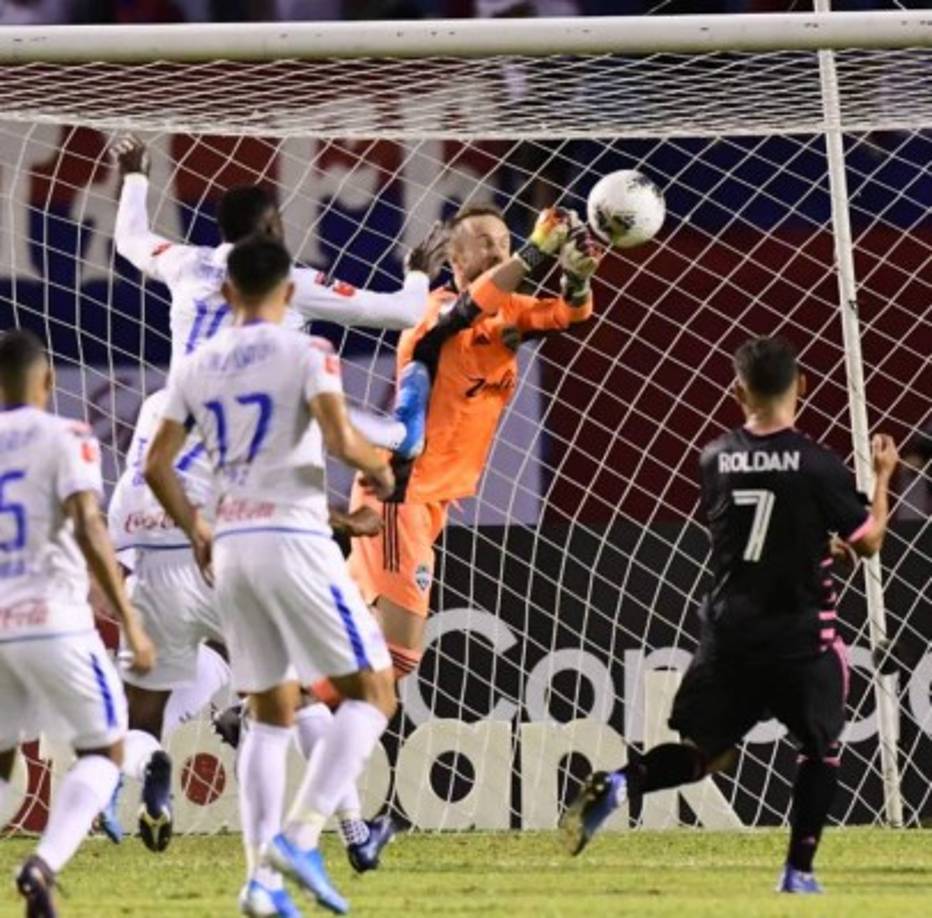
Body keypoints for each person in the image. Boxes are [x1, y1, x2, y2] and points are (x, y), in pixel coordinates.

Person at [560, 335, 899, 895]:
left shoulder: (714, 458)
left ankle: (621, 782)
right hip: (800, 635)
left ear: (738, 391)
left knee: (705, 756)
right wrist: (883, 475)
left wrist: (815, 544)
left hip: (731, 635)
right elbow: (870, 543)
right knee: (820, 749)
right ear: (803, 387)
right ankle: (798, 871)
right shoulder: (818, 463)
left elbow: (757, 533)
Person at [144, 235, 397, 916]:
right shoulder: (306, 351)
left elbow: (154, 465)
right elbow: (342, 440)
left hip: (229, 546)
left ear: (226, 293)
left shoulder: (196, 364)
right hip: (294, 537)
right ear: (289, 292)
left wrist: (196, 527)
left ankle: (260, 883)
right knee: (374, 693)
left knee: (270, 714)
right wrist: (378, 468)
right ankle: (303, 835)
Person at [345, 203, 600, 687]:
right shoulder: (429, 312)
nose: (497, 249)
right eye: (484, 241)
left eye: (504, 241)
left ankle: (271, 705)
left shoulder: (510, 312)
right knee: (396, 660)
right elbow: (465, 312)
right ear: (454, 260)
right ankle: (281, 711)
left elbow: (569, 315)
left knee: (359, 636)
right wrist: (534, 252)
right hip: (399, 493)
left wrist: (578, 278)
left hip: (433, 500)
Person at [0, 329, 155, 917]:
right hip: (54, 618)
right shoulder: (67, 436)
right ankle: (42, 866)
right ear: (45, 383)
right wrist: (131, 621)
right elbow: (90, 526)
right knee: (103, 749)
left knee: (1, 757)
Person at [110, 133, 444, 374]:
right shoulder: (291, 285)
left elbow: (129, 238)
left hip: (185, 434)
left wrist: (135, 177)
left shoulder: (183, 263)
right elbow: (403, 313)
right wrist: (417, 274)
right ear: (272, 228)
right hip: (257, 445)